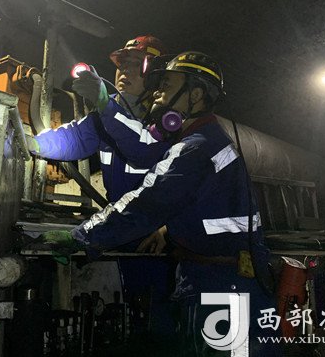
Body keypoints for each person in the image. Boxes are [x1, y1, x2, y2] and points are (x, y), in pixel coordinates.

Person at [40, 51, 280, 356]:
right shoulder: (205, 139)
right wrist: (169, 230)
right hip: (226, 277)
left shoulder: (196, 148)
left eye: (166, 85)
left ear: (195, 96)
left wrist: (80, 237)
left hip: (220, 284)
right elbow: (204, 203)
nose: (157, 92)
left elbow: (146, 204)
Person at [30, 35, 170, 203]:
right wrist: (33, 143)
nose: (125, 70)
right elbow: (77, 139)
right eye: (123, 64)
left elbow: (144, 151)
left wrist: (105, 104)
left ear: (156, 75)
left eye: (136, 64)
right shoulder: (107, 110)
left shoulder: (168, 118)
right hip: (119, 211)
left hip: (154, 214)